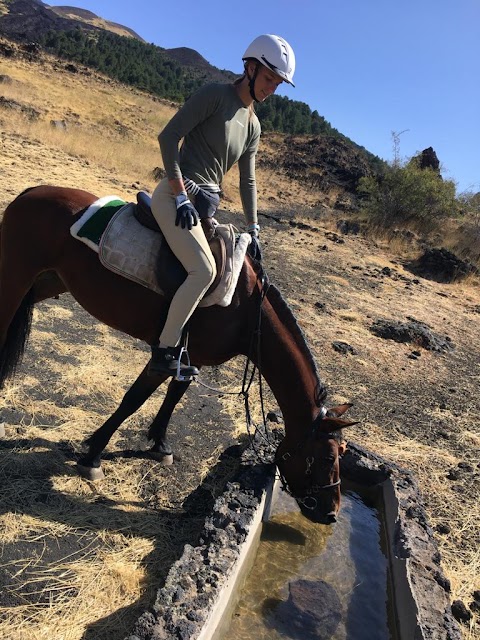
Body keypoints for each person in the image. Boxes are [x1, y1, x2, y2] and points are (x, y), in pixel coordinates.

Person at [149, 34, 296, 377]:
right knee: (204, 271)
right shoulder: (214, 96)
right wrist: (181, 193)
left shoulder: (253, 125)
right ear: (250, 67)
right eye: (269, 78)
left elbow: (248, 181)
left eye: (278, 83)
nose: (272, 88)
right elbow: (168, 137)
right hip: (176, 196)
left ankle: (189, 343)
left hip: (205, 207)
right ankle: (163, 351)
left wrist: (254, 228)